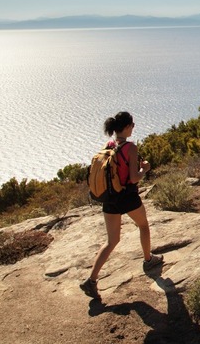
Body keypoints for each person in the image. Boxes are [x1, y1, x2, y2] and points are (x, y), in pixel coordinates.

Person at [80, 111, 163, 300]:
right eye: (132, 125)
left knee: (111, 241)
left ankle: (91, 280)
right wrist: (145, 169)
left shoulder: (109, 145)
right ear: (126, 127)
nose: (133, 128)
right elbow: (134, 178)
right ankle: (148, 260)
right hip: (127, 196)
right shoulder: (130, 147)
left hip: (110, 197)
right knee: (143, 225)